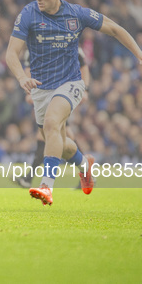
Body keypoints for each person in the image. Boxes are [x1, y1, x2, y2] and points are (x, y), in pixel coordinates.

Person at [5, 0, 142, 206]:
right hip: (40, 88)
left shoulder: (76, 14)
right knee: (60, 141)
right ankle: (84, 164)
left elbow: (114, 28)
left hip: (71, 83)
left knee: (51, 124)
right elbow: (11, 53)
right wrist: (20, 77)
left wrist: (140, 56)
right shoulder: (28, 14)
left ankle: (46, 186)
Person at [14, 47, 91, 190]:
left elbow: (83, 66)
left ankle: (37, 181)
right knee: (63, 140)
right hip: (44, 95)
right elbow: (28, 70)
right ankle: (86, 167)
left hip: (63, 93)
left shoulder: (68, 40)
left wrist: (85, 89)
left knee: (48, 134)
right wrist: (29, 90)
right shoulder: (31, 49)